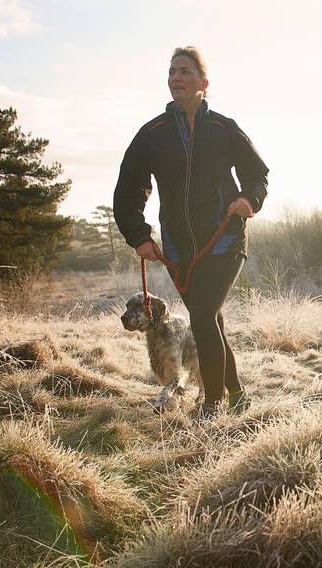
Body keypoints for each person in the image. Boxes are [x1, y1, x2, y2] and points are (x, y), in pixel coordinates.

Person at [113, 46, 269, 421]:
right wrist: (140, 235)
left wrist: (250, 199)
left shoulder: (223, 129)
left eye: (185, 71)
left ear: (204, 83)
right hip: (180, 251)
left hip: (225, 239)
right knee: (209, 320)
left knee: (201, 318)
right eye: (172, 72)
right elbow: (128, 187)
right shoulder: (152, 134)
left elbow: (257, 172)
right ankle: (238, 394)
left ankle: (212, 406)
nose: (176, 78)